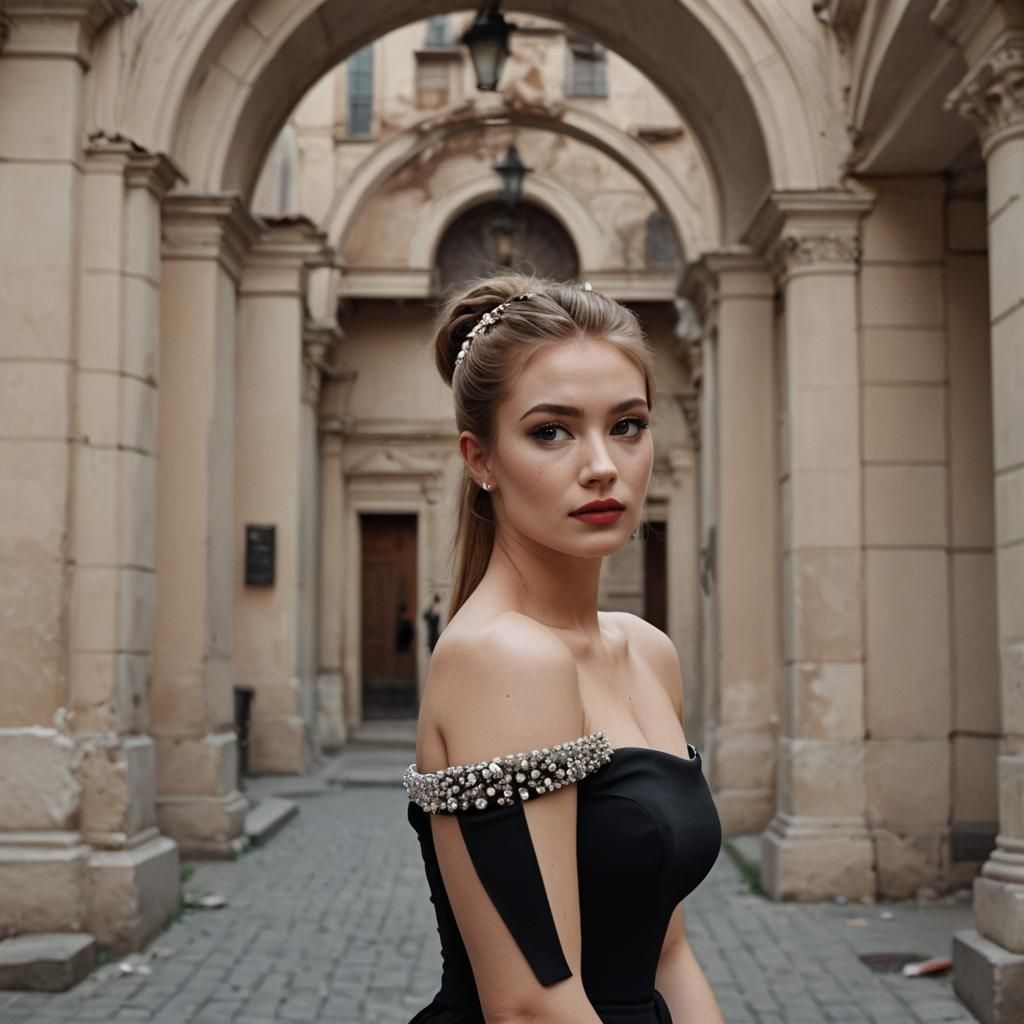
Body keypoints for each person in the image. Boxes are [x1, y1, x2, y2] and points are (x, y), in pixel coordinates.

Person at [403, 275, 724, 1024]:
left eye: (628, 425)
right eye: (552, 431)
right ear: (480, 460)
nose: (602, 464)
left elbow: (668, 952)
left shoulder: (646, 651)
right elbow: (530, 1006)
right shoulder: (503, 658)